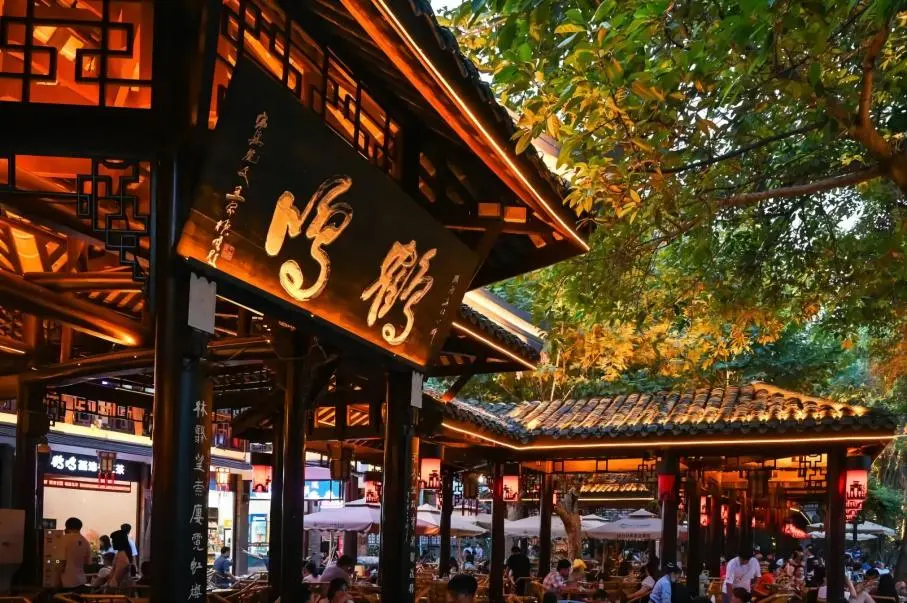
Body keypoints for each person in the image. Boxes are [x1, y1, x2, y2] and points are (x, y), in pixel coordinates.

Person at [60, 517, 92, 590]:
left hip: (66, 580)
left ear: (67, 527)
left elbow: (61, 561)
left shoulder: (63, 539)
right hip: (81, 581)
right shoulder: (86, 542)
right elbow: (87, 563)